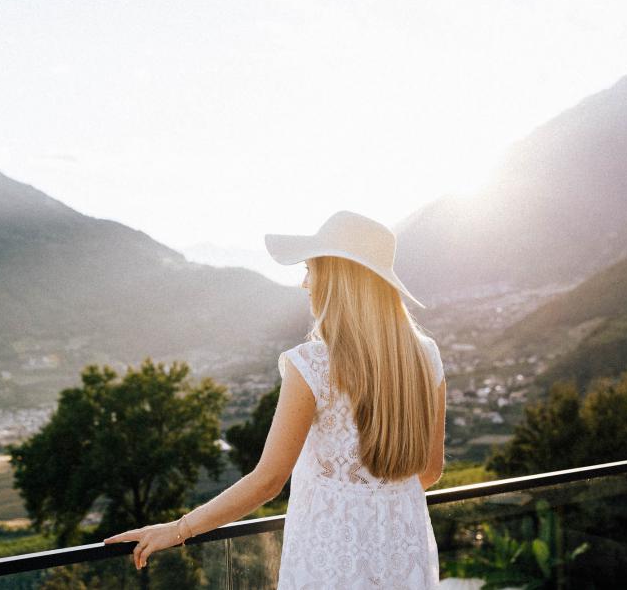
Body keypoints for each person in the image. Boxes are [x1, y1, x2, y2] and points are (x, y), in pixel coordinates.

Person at [104, 210, 446, 589]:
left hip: (331, 557)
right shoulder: (426, 356)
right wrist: (379, 505)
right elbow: (429, 472)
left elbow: (268, 482)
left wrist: (179, 528)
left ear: (335, 278)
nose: (305, 284)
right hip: (403, 548)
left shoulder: (314, 364)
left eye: (311, 270)